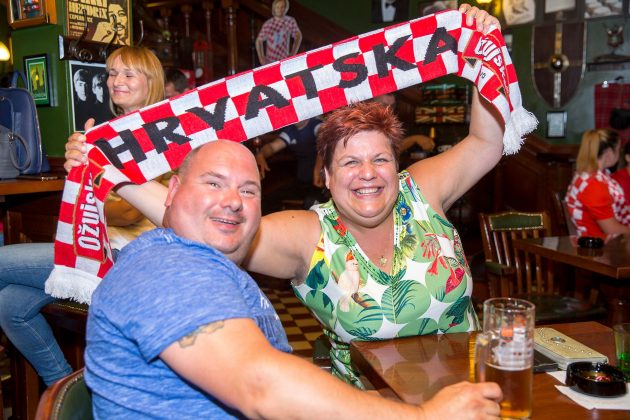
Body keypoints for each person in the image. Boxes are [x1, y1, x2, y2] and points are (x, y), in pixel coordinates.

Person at [65, 4, 503, 388]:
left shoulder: (420, 190)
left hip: (474, 390)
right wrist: (109, 172)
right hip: (371, 406)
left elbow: (487, 142)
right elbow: (205, 224)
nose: (368, 174)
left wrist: (482, 51)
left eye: (380, 160)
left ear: (397, 165)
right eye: (350, 162)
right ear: (325, 176)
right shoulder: (310, 235)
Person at [85, 139, 502, 418]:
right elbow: (260, 385)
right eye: (213, 183)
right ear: (172, 190)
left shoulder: (198, 262)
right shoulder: (170, 271)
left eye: (248, 191)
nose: (232, 201)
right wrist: (423, 416)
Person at [0, 46, 164, 387]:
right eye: (112, 73)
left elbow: (130, 211)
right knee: (9, 305)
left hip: (125, 258)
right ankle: (65, 390)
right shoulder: (106, 132)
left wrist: (84, 194)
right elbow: (89, 195)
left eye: (129, 74)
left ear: (151, 82)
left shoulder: (157, 132)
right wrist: (78, 167)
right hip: (92, 247)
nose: (116, 81)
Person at [566, 129, 630, 238]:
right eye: (618, 149)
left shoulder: (591, 176)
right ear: (609, 153)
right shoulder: (594, 185)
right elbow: (612, 229)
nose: (619, 154)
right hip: (599, 244)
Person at [255, 118, 326, 212]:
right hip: (303, 182)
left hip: (322, 182)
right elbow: (272, 147)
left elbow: (325, 142)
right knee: (269, 199)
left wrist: (317, 169)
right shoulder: (290, 131)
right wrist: (260, 154)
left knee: (311, 203)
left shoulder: (316, 125)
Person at [255, 0, 302, 65]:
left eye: (282, 7)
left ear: (286, 8)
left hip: (284, 60)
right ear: (274, 8)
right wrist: (261, 58)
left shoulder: (290, 21)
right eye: (278, 7)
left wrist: (293, 53)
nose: (280, 9)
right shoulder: (268, 24)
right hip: (270, 61)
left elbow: (298, 35)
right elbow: (258, 41)